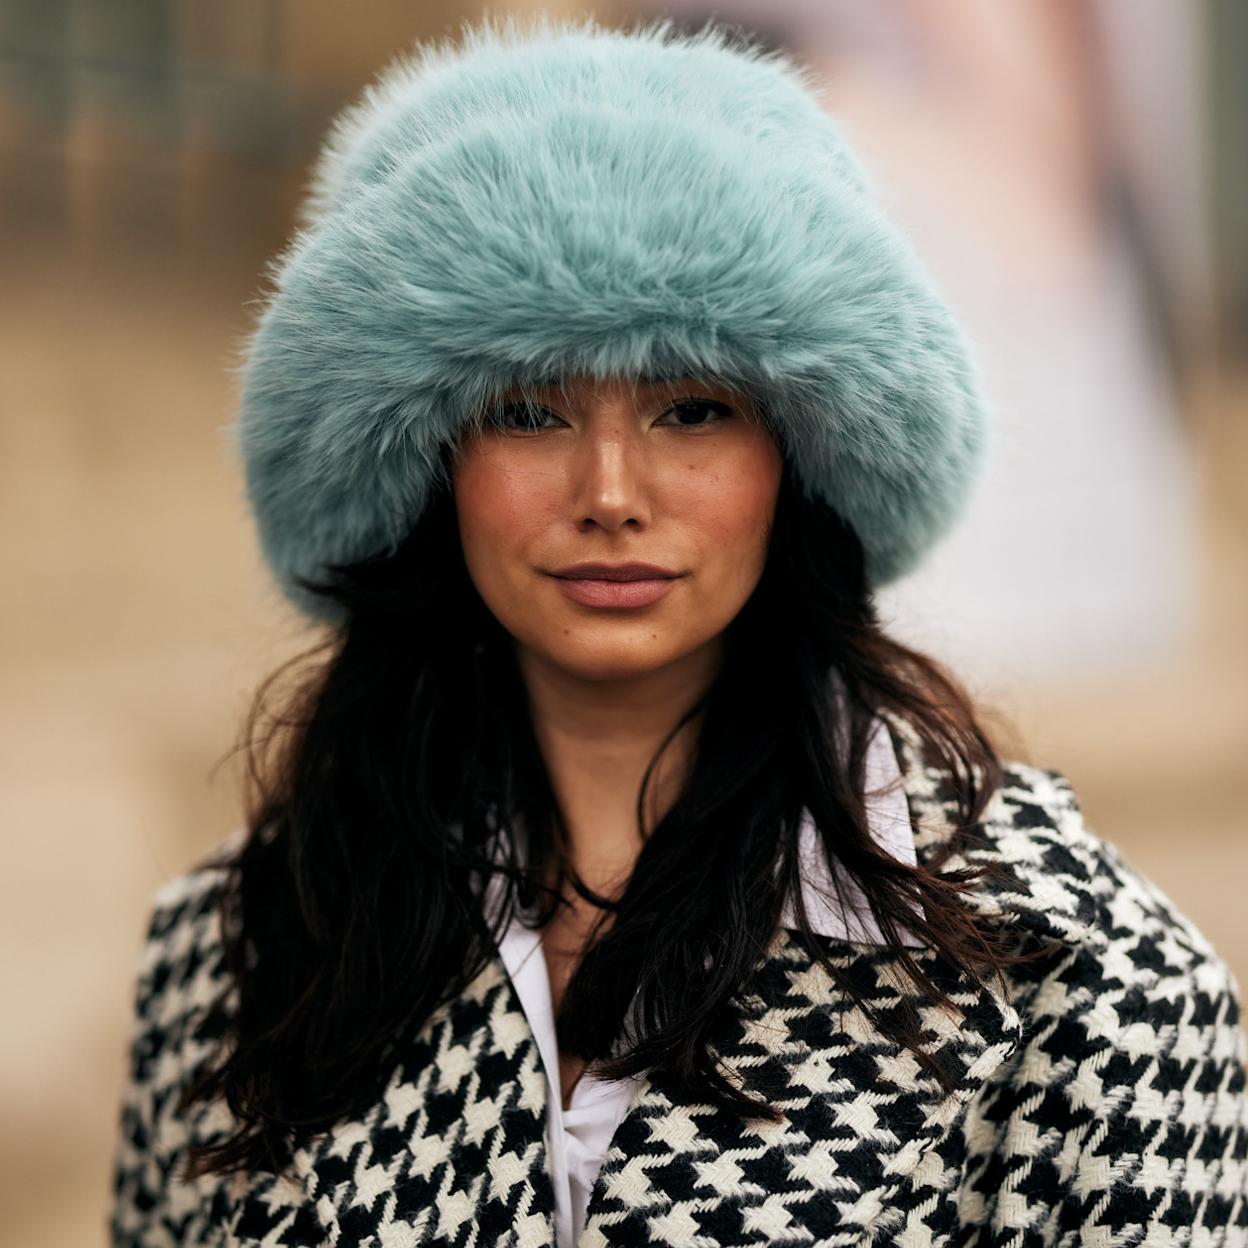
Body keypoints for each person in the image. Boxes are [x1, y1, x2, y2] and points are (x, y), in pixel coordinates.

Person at [108, 14, 1248, 1247]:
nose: (610, 493)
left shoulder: (1087, 987)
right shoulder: (235, 962)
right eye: (531, 409)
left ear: (798, 459)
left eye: (692, 408)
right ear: (429, 462)